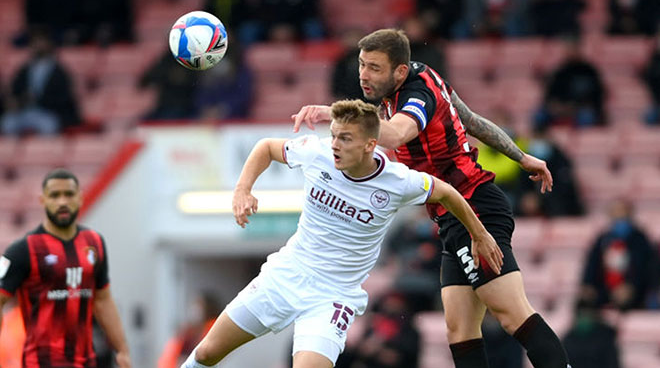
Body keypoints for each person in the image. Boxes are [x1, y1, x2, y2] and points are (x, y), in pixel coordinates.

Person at [292, 29, 571, 368]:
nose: (363, 75)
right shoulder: (421, 75)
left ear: (399, 70)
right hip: (451, 216)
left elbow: (395, 134)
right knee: (459, 329)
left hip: (475, 207)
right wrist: (520, 156)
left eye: (374, 68)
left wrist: (332, 113)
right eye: (362, 65)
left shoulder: (416, 95)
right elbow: (470, 120)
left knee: (512, 314)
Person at [181, 99, 502, 368]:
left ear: (370, 145)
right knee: (208, 352)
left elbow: (447, 193)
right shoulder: (315, 152)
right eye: (334, 135)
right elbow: (266, 147)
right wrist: (242, 189)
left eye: (345, 138)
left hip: (332, 297)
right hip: (285, 276)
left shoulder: (398, 181)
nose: (334, 144)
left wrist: (479, 234)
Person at [0, 168, 131, 368]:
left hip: (86, 363)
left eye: (68, 194)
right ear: (42, 200)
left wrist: (122, 350)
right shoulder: (22, 250)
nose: (62, 201)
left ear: (80, 198)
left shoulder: (94, 243)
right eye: (55, 195)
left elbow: (103, 300)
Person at [579, 199, 656, 311]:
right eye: (615, 214)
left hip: (634, 291)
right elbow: (592, 265)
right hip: (605, 289)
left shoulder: (640, 240)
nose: (619, 218)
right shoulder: (603, 239)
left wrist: (632, 287)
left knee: (626, 302)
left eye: (622, 214)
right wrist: (588, 284)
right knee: (583, 302)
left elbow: (646, 269)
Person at [2, 30, 81, 135]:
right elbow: (15, 90)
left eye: (40, 42)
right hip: (25, 111)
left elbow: (64, 98)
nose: (37, 45)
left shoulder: (59, 71)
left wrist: (40, 100)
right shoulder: (25, 69)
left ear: (49, 44)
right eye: (34, 42)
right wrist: (16, 101)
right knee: (8, 123)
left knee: (48, 126)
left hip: (48, 112)